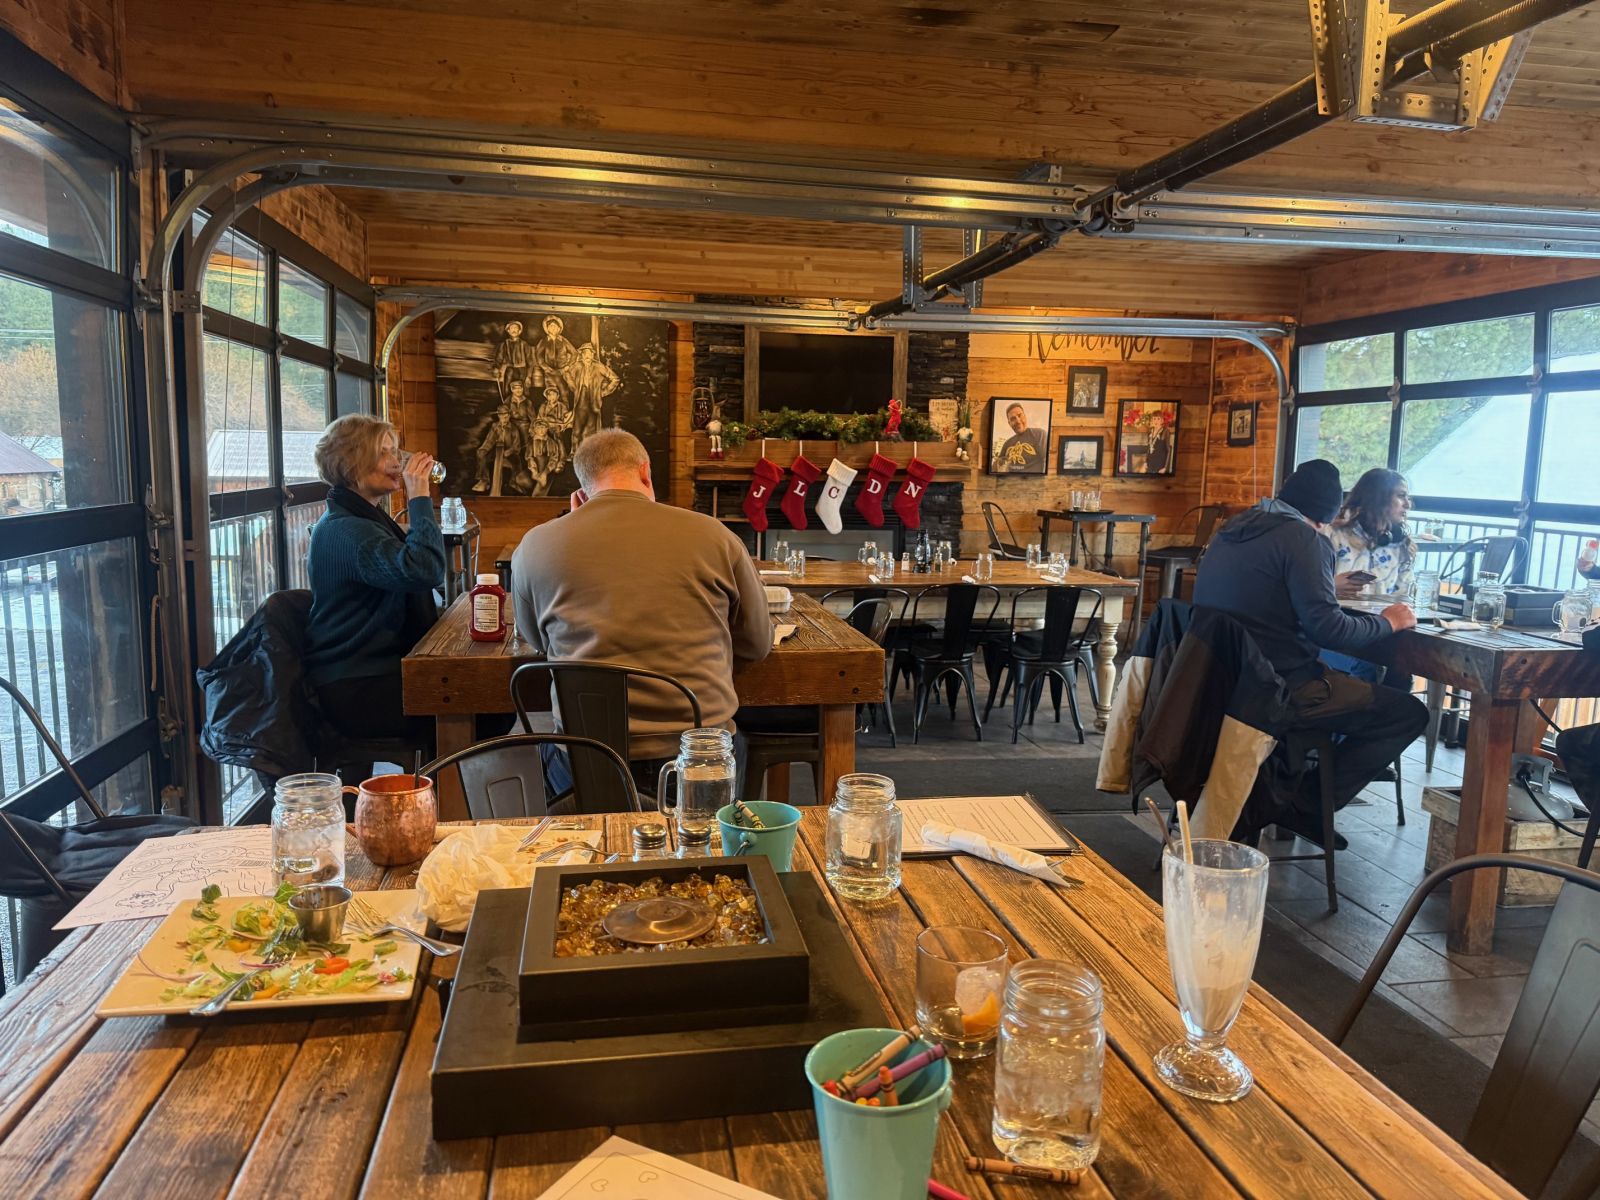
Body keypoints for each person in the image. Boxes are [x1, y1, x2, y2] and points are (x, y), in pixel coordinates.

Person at [510, 429, 771, 787]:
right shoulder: (716, 536)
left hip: (587, 763)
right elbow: (757, 644)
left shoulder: (535, 545)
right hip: (697, 764)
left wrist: (574, 526)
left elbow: (537, 641)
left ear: (582, 491)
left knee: (549, 753)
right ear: (646, 472)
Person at [1192, 458, 1427, 846]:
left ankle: (1286, 789)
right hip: (1276, 688)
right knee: (1407, 714)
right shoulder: (1305, 540)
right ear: (1322, 515)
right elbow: (1329, 630)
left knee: (1346, 683)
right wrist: (1389, 623)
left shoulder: (1233, 529)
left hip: (1217, 679)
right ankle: (1305, 803)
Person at [304, 414, 443, 749]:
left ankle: (438, 780)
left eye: (395, 451)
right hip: (356, 687)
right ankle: (437, 781)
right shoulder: (347, 530)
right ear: (351, 464)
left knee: (485, 701)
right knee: (482, 706)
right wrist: (419, 496)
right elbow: (425, 570)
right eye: (384, 453)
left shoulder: (362, 518)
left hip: (370, 674)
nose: (397, 462)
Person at [564, 342, 620, 449]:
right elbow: (566, 373)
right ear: (582, 355)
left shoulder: (599, 366)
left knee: (591, 430)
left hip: (593, 402)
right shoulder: (577, 365)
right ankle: (574, 451)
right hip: (580, 401)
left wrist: (604, 392)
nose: (587, 356)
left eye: (589, 354)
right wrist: (573, 386)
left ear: (593, 355)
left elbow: (615, 379)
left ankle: (590, 451)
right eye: (585, 354)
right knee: (577, 430)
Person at [995, 402, 1046, 473]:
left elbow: (1047, 461)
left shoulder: (1039, 434)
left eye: (1020, 415)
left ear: (1025, 416)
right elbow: (998, 468)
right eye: (1013, 419)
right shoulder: (1007, 444)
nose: (1018, 421)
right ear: (1009, 423)